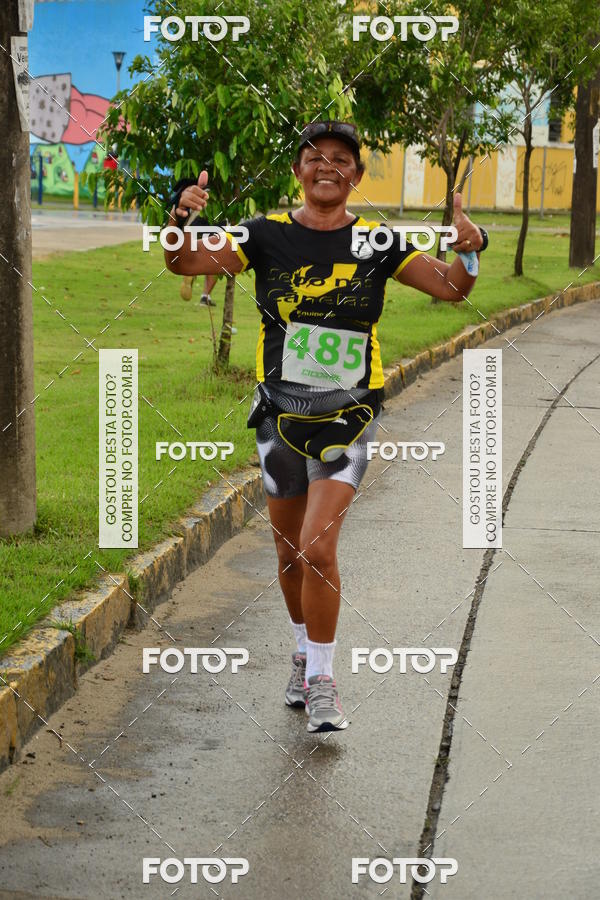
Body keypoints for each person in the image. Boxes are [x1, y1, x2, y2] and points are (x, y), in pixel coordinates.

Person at [164, 120, 486, 732]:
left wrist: (469, 250)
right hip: (280, 417)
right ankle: (301, 653)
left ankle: (322, 680)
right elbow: (185, 262)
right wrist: (180, 218)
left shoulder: (377, 241)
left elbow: (450, 287)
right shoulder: (263, 233)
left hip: (349, 415)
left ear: (356, 175)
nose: (327, 166)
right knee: (290, 554)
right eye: (314, 157)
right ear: (298, 172)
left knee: (317, 547)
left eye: (341, 158)